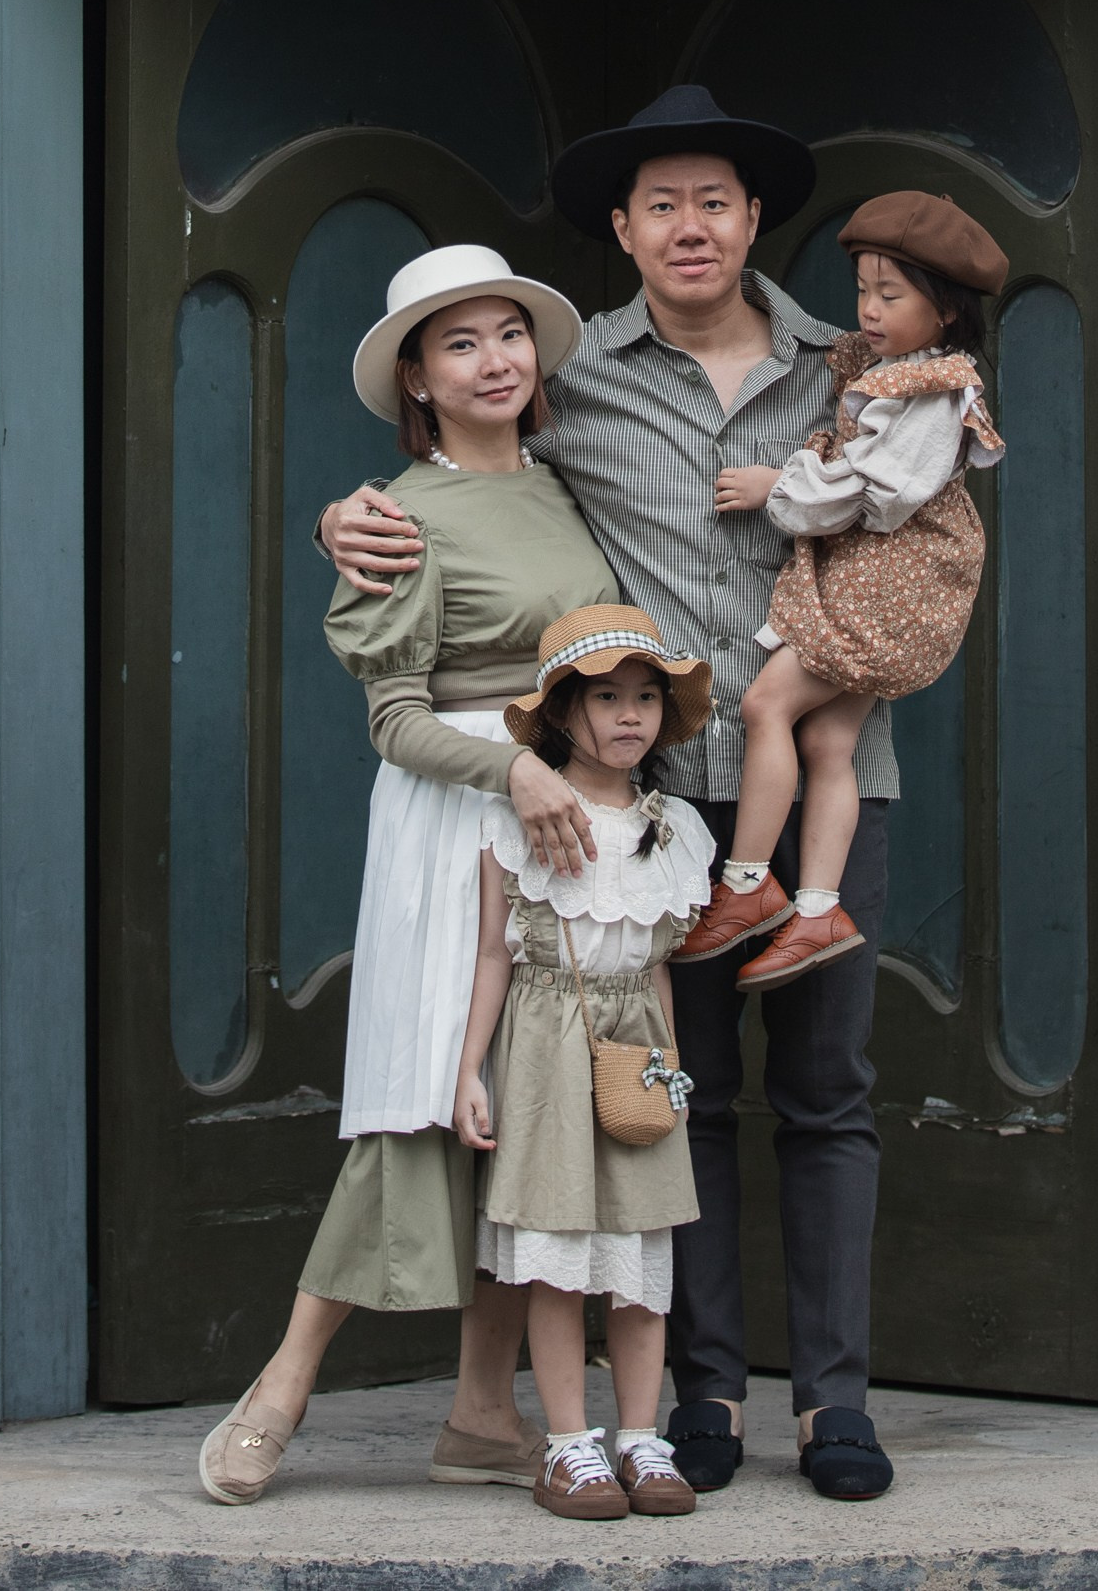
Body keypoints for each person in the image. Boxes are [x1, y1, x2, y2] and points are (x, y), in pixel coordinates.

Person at [319, 83, 898, 1504]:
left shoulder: (852, 371)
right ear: (625, 237)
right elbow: (477, 474)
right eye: (661, 206)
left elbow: (933, 515)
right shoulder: (570, 385)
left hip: (820, 788)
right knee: (667, 1097)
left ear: (755, 221)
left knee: (827, 1094)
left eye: (715, 201)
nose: (690, 227)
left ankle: (831, 1403)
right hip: (642, 810)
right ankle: (692, 1395)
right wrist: (355, 512)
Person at [200, 243, 614, 1507]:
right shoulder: (398, 515)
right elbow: (392, 717)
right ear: (418, 383)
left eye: (508, 335)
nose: (494, 360)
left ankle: (485, 1413)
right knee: (423, 1099)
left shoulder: (560, 487)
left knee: (524, 1107)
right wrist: (518, 776)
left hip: (566, 823)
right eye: (460, 344)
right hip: (458, 824)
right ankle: (279, 1387)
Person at [679, 191, 1007, 989]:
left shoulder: (932, 391)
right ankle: (820, 906)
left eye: (890, 295)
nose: (868, 309)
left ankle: (748, 885)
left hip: (885, 593)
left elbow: (877, 492)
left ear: (948, 311)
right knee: (830, 743)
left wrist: (777, 485)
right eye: (864, 290)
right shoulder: (893, 372)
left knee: (765, 707)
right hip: (873, 584)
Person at [454, 607, 716, 1520]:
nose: (631, 715)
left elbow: (659, 969)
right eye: (607, 697)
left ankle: (642, 1436)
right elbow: (495, 953)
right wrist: (467, 1074)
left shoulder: (676, 827)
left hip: (634, 1046)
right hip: (540, 1048)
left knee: (641, 1249)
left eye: (646, 698)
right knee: (557, 1253)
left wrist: (667, 1069)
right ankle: (571, 1446)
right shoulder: (512, 819)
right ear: (563, 713)